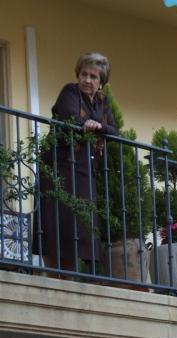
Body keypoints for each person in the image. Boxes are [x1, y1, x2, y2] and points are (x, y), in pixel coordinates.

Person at [35, 52, 118, 271]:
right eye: (84, 74)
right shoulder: (69, 91)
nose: (87, 80)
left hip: (84, 170)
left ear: (101, 82)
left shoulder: (102, 101)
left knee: (80, 228)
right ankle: (55, 278)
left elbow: (114, 130)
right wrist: (89, 125)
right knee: (57, 224)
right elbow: (72, 119)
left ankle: (69, 279)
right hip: (60, 166)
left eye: (93, 77)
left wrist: (98, 126)